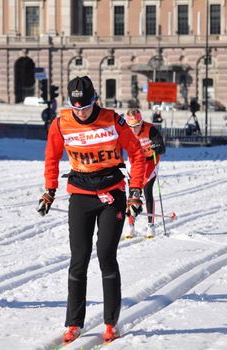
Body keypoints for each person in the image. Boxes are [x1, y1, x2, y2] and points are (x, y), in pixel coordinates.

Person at [37, 76, 145, 344]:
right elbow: (52, 157)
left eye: (85, 107)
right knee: (79, 258)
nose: (81, 113)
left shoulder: (112, 119)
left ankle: (110, 322)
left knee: (106, 255)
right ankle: (74, 323)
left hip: (112, 192)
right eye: (77, 108)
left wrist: (135, 192)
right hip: (81, 193)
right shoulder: (61, 122)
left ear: (94, 100)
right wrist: (49, 190)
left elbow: (137, 154)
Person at [124, 109, 165, 239]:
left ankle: (150, 226)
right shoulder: (125, 131)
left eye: (137, 126)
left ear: (141, 123)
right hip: (135, 162)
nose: (134, 130)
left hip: (150, 161)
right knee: (133, 192)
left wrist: (156, 146)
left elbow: (162, 147)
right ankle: (131, 226)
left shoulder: (150, 129)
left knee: (147, 190)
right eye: (131, 127)